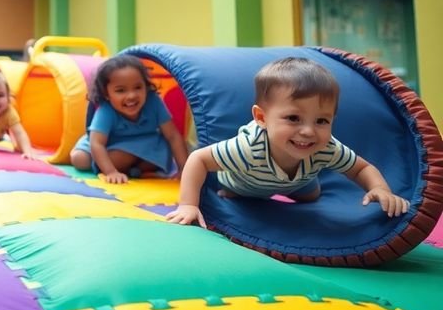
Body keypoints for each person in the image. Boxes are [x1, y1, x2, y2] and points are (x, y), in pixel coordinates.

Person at [166, 57, 409, 227]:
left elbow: (361, 168)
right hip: (242, 184)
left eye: (322, 120)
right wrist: (188, 204)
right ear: (261, 118)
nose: (308, 131)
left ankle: (301, 187)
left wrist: (379, 189)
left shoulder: (326, 147)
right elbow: (198, 159)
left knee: (311, 198)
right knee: (234, 194)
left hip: (298, 182)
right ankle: (233, 191)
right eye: (293, 118)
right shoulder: (248, 148)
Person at [69, 55, 188, 183]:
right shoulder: (106, 110)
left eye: (138, 87)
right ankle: (127, 168)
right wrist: (111, 172)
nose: (131, 96)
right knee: (79, 159)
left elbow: (173, 135)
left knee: (161, 155)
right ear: (106, 94)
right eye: (121, 90)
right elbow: (97, 143)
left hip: (145, 142)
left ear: (146, 86)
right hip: (108, 143)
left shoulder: (153, 101)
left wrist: (184, 169)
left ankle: (134, 169)